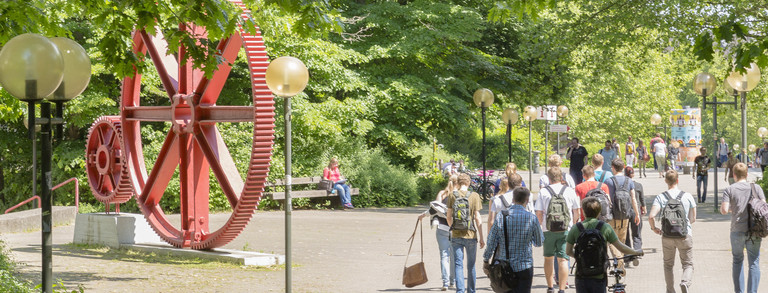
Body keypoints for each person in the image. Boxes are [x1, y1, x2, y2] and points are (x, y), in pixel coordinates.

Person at [566, 197, 644, 293]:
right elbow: (621, 247)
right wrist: (636, 251)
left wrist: (581, 257)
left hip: (582, 274)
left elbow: (568, 251)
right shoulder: (605, 227)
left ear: (583, 212)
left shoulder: (576, 228)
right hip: (599, 274)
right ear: (599, 212)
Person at [483, 187, 543, 293]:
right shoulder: (532, 218)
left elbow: (491, 241)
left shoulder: (502, 216)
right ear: (527, 200)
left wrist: (486, 260)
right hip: (525, 266)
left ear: (513, 199)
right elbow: (539, 242)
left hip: (504, 266)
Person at [648, 170, 697, 293]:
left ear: (666, 181)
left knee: (668, 265)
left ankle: (670, 290)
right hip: (684, 235)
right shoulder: (687, 196)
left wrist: (654, 228)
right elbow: (693, 219)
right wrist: (683, 227)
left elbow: (651, 216)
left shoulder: (661, 197)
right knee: (688, 264)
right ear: (678, 180)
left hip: (667, 236)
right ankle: (685, 282)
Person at [720, 162, 765, 293]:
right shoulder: (756, 188)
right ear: (747, 174)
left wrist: (733, 209)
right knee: (754, 262)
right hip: (755, 230)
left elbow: (723, 210)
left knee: (737, 261)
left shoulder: (729, 189)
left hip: (737, 230)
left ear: (734, 175)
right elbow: (763, 207)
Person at [535, 167, 581, 293]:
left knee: (548, 258)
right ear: (562, 178)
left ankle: (550, 287)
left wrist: (539, 227)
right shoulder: (569, 191)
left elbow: (539, 212)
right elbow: (576, 211)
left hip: (548, 229)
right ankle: (561, 288)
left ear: (549, 178)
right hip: (566, 228)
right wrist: (574, 224)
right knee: (563, 259)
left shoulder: (543, 192)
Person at [418, 175, 458, 291]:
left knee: (444, 255)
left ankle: (445, 283)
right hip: (455, 229)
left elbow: (434, 209)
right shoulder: (460, 194)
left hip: (442, 228)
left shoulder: (442, 194)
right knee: (454, 256)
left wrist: (423, 215)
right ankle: (453, 282)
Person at [446, 173, 484, 293]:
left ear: (458, 182)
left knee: (458, 265)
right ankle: (471, 291)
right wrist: (482, 237)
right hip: (471, 235)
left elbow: (448, 216)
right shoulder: (475, 196)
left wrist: (452, 227)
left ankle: (460, 291)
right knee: (471, 266)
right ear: (468, 182)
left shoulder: (452, 195)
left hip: (456, 235)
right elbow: (477, 218)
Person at [603, 159, 641, 271]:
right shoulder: (629, 181)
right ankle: (620, 264)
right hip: (626, 215)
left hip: (613, 216)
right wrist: (637, 214)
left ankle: (619, 264)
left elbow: (607, 200)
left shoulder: (608, 181)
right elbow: (633, 198)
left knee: (612, 242)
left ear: (613, 168)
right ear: (623, 167)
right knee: (622, 241)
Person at [623, 166, 645, 251]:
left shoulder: (623, 185)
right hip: (636, 211)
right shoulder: (638, 185)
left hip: (625, 210)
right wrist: (644, 209)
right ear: (633, 174)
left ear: (625, 174)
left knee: (626, 233)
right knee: (637, 233)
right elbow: (642, 199)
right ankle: (637, 250)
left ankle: (628, 252)